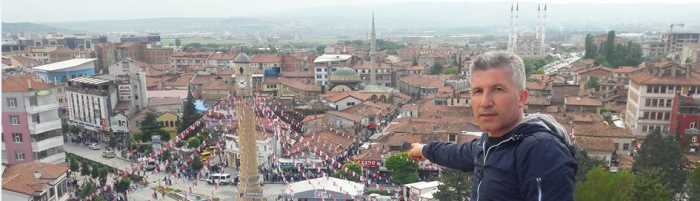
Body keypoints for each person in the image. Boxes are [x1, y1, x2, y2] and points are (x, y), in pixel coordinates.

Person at [408, 51, 577, 201]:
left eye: (498, 89)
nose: (485, 102)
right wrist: (423, 150)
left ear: (522, 97)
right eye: (478, 91)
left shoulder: (540, 151)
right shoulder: (489, 145)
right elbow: (457, 154)